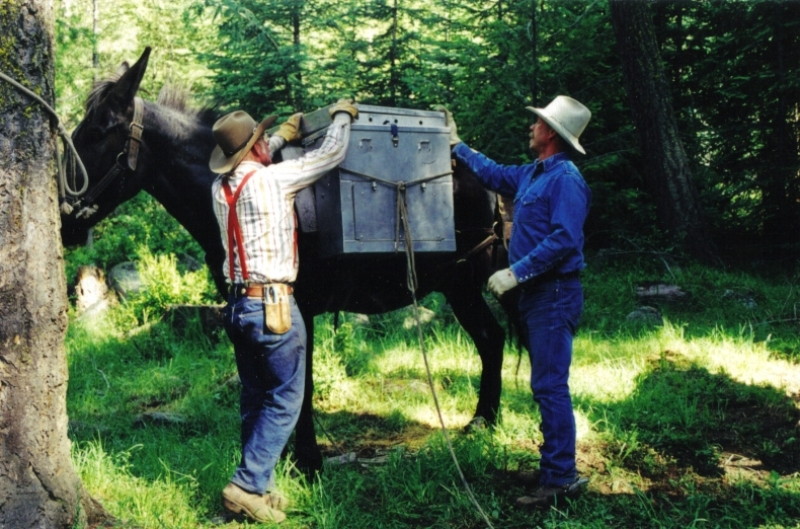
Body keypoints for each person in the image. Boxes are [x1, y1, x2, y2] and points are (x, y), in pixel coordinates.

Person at [208, 99, 357, 523]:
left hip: (237, 305)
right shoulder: (274, 181)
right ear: (255, 148)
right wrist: (342, 116)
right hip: (273, 305)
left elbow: (253, 159)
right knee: (286, 398)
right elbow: (330, 154)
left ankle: (262, 483)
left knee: (256, 397)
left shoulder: (219, 189)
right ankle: (247, 485)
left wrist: (279, 138)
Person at [446, 95, 591, 507]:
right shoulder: (533, 174)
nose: (532, 127)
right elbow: (493, 173)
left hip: (554, 294)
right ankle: (553, 466)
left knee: (550, 385)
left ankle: (562, 478)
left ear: (552, 134)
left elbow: (564, 240)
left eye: (538, 123)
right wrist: (458, 146)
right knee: (544, 384)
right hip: (537, 295)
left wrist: (515, 271)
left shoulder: (565, 179)